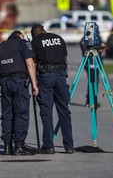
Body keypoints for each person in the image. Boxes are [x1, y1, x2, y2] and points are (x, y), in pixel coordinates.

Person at [30, 24, 74, 154]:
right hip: (60, 75)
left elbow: (32, 62)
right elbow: (65, 58)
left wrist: (34, 81)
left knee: (46, 111)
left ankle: (48, 146)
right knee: (64, 111)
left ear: (34, 33)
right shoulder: (58, 38)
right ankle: (69, 146)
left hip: (46, 76)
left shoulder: (36, 41)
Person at [0, 30, 39, 156]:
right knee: (21, 112)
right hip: (19, 81)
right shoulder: (23, 43)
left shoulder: (1, 46)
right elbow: (30, 63)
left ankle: (7, 147)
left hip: (4, 82)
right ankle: (19, 146)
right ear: (20, 36)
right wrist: (34, 83)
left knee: (7, 114)